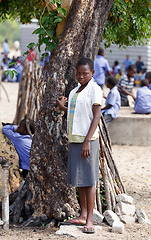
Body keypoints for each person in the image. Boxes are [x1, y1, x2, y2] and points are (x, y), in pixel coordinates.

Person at [57, 57, 102, 234]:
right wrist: (63, 108)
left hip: (87, 141)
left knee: (89, 180)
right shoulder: (75, 90)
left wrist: (87, 142)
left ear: (92, 73)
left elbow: (96, 116)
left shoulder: (95, 90)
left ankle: (90, 219)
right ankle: (83, 214)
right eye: (78, 73)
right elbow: (77, 113)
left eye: (84, 73)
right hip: (75, 139)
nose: (81, 76)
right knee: (80, 180)